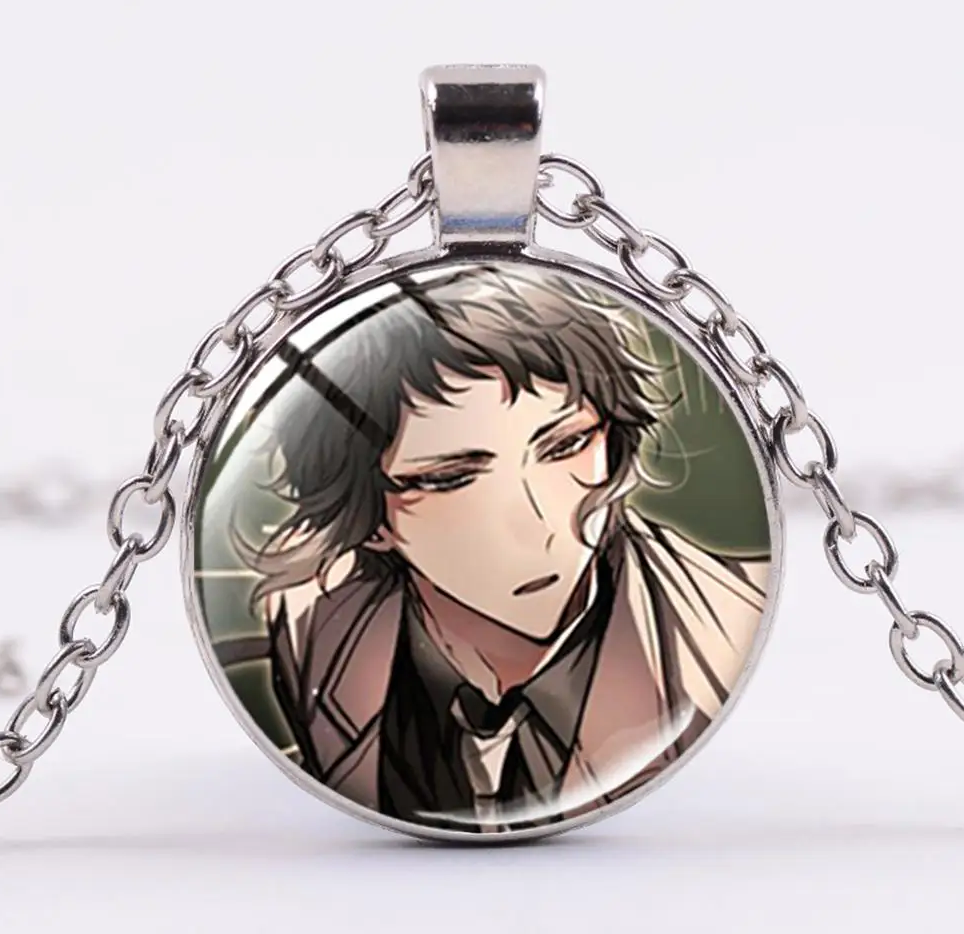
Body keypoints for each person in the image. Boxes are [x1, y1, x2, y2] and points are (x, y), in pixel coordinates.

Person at [232, 264, 770, 833]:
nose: (536, 526)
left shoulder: (725, 622)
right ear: (371, 519)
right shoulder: (314, 622)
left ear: (612, 438)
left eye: (567, 445)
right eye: (451, 478)